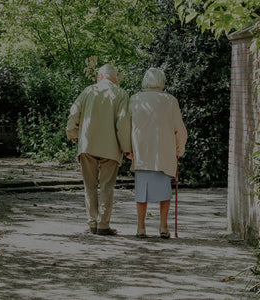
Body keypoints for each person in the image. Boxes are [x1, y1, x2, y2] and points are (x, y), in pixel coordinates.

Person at [66, 64, 131, 235]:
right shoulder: (121, 94)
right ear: (115, 78)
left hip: (88, 144)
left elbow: (74, 113)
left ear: (100, 76)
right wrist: (127, 148)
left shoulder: (88, 91)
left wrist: (72, 132)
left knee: (90, 186)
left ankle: (92, 223)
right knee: (107, 186)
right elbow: (123, 123)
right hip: (111, 147)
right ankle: (103, 225)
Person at [129, 67, 187, 238]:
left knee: (141, 192)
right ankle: (163, 226)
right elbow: (179, 129)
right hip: (163, 152)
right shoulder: (170, 101)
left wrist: (127, 149)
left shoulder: (135, 99)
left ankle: (141, 227)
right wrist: (179, 148)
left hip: (141, 152)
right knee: (164, 192)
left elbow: (127, 125)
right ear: (162, 81)